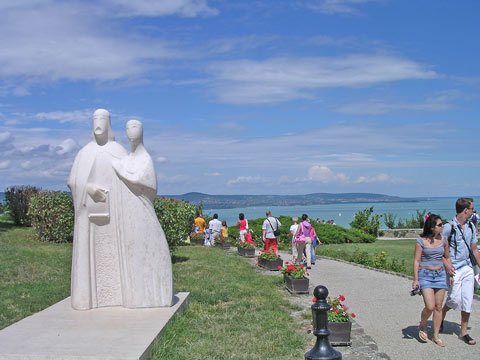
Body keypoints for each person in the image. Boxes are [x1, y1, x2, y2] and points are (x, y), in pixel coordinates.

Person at [68, 109, 128, 310]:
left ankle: (118, 295)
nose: (98, 125)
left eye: (102, 120)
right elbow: (73, 181)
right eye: (96, 120)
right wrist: (89, 188)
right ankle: (87, 299)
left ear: (109, 124)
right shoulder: (84, 152)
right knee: (88, 256)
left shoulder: (118, 150)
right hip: (88, 215)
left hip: (114, 214)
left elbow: (128, 178)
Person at [112, 119, 173, 308]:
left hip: (142, 208)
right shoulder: (125, 160)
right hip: (127, 210)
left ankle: (153, 293)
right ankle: (135, 294)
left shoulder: (145, 158)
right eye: (128, 127)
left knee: (148, 247)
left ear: (142, 131)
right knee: (132, 250)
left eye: (135, 127)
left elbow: (149, 182)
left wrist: (122, 172)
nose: (131, 131)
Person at [441, 198, 480, 345]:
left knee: (467, 300)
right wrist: (446, 264)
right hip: (454, 268)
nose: (473, 211)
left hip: (467, 267)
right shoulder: (448, 227)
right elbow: (440, 249)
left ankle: (464, 332)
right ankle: (441, 314)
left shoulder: (470, 227)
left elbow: (474, 249)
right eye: (472, 209)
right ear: (466, 210)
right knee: (454, 299)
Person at [412, 214, 450, 346]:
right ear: (432, 228)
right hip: (425, 275)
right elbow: (416, 261)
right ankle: (422, 325)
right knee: (430, 306)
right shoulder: (421, 241)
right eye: (440, 225)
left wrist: (450, 274)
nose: (442, 227)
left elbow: (447, 257)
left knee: (438, 307)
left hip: (439, 275)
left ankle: (436, 336)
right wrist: (416, 279)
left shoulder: (444, 240)